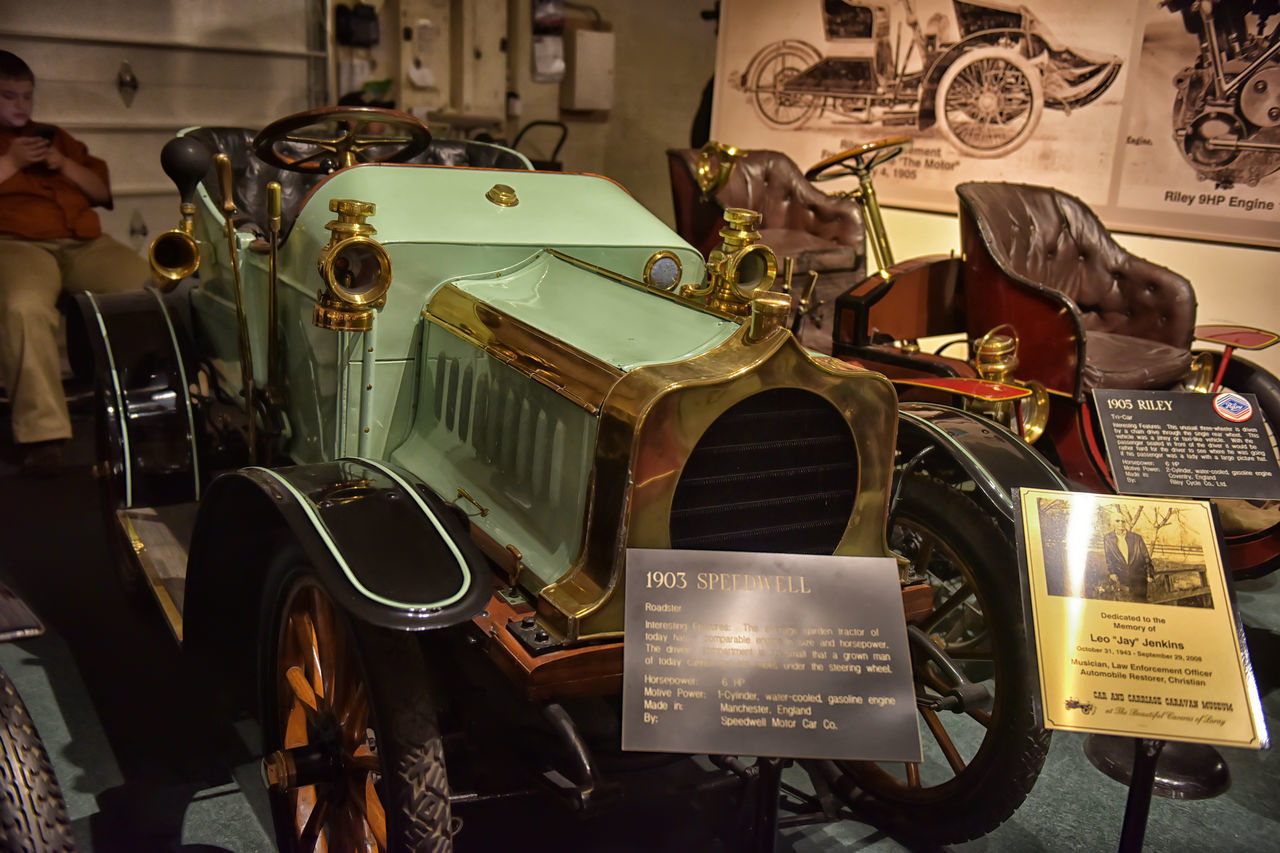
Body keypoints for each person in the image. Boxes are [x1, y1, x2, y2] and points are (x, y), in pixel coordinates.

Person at [0, 50, 147, 475]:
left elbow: (100, 191)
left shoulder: (55, 138)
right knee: (23, 308)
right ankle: (43, 437)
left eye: (27, 96)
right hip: (18, 244)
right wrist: (13, 163)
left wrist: (61, 163)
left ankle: (160, 409)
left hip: (84, 241)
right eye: (9, 96)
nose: (21, 106)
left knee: (155, 287)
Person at [1102, 509, 1153, 602]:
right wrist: (1112, 572)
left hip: (1139, 577)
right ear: (1112, 523)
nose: (1120, 523)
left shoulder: (1136, 538)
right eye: (1117, 521)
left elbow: (1146, 557)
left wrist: (1149, 574)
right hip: (1121, 577)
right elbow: (1109, 557)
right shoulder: (1108, 538)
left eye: (1123, 521)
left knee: (1140, 604)